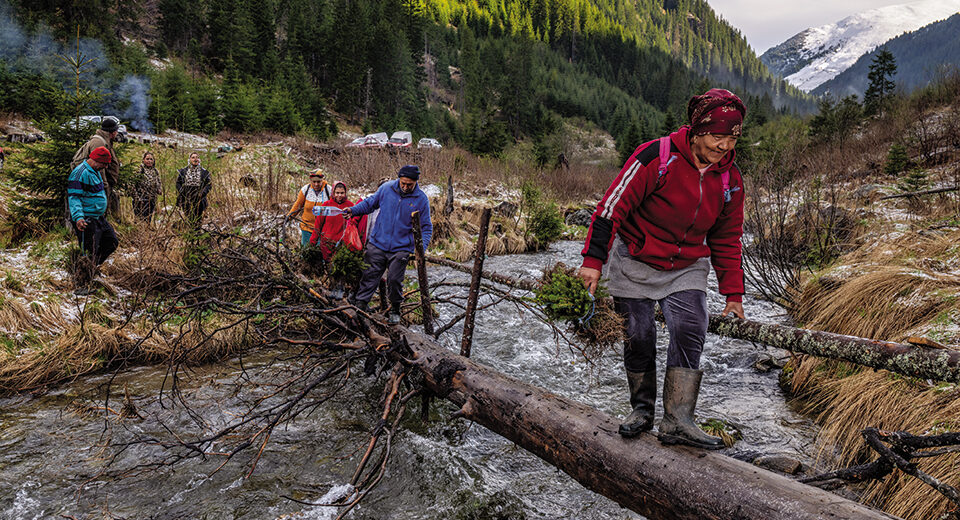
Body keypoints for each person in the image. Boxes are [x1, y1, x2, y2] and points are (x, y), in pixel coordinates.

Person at [578, 88, 747, 450]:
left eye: (732, 138)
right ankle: (641, 410)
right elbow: (610, 210)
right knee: (637, 335)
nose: (724, 145)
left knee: (690, 327)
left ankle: (678, 419)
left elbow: (728, 238)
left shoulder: (729, 180)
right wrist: (593, 262)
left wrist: (734, 293)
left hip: (686, 266)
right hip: (635, 259)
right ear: (698, 129)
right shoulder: (656, 156)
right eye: (718, 135)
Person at [343, 165, 432, 324]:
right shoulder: (386, 189)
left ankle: (395, 309)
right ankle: (360, 306)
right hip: (378, 243)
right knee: (369, 275)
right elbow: (370, 203)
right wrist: (353, 210)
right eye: (403, 183)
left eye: (409, 185)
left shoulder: (421, 199)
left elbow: (426, 227)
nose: (405, 187)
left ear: (416, 182)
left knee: (394, 280)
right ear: (399, 179)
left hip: (401, 248)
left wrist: (421, 249)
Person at [67, 146, 119, 293]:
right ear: (96, 160)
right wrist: (78, 218)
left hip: (98, 218)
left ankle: (92, 269)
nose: (106, 167)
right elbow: (74, 197)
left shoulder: (95, 172)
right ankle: (81, 285)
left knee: (111, 242)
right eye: (105, 163)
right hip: (86, 220)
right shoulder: (79, 173)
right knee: (89, 251)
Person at [71, 116, 121, 217]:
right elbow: (98, 165)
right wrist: (104, 185)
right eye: (116, 130)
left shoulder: (105, 141)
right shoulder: (99, 142)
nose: (117, 133)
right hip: (95, 183)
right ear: (112, 132)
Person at [286, 169, 331, 247]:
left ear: (322, 180)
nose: (316, 184)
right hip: (307, 228)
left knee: (321, 253)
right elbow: (297, 205)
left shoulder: (329, 190)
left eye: (318, 182)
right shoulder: (305, 190)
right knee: (306, 251)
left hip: (323, 229)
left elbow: (334, 207)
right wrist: (288, 217)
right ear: (310, 181)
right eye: (314, 182)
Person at [176, 152, 212, 228]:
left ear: (199, 160)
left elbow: (209, 185)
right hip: (186, 197)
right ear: (189, 160)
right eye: (193, 157)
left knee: (198, 217)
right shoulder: (183, 171)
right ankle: (190, 234)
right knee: (189, 217)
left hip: (199, 198)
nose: (195, 159)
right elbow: (178, 183)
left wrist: (203, 192)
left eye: (197, 157)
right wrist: (181, 191)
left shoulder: (204, 172)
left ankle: (197, 233)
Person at [132, 151, 162, 222]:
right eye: (147, 159)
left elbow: (159, 182)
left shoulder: (155, 171)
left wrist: (159, 189)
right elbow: (132, 184)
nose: (149, 161)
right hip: (141, 200)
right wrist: (136, 198)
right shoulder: (139, 169)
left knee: (148, 219)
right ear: (143, 160)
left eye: (151, 159)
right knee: (140, 220)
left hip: (152, 200)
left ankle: (147, 231)